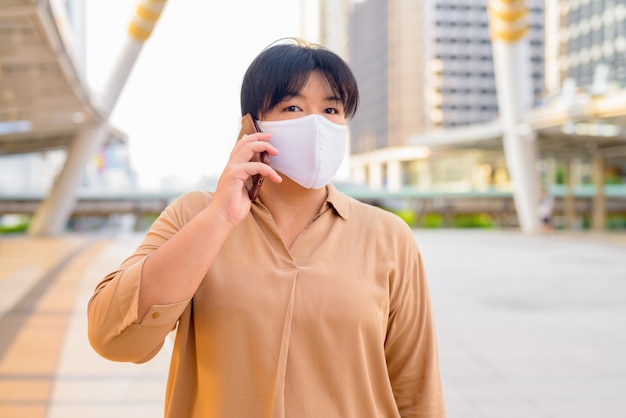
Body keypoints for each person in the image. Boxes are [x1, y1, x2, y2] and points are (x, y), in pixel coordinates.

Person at [88, 38, 445, 417]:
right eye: (292, 106)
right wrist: (219, 219)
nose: (318, 124)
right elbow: (112, 337)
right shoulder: (193, 216)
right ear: (251, 125)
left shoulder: (388, 236)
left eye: (331, 109)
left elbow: (416, 388)